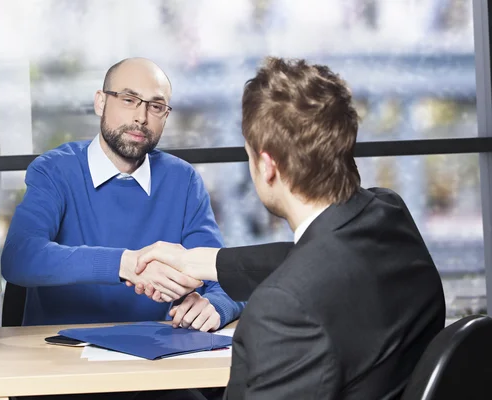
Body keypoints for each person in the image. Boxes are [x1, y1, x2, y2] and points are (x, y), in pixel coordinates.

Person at [133, 57, 446, 399]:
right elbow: (317, 258)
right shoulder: (388, 213)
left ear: (267, 166)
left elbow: (303, 278)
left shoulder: (284, 311)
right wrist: (196, 262)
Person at [1, 57, 244, 333]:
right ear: (100, 102)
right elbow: (19, 257)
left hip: (153, 353)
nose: (141, 117)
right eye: (129, 99)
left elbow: (223, 279)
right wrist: (123, 263)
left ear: (165, 116)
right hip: (60, 354)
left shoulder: (183, 181)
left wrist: (214, 306)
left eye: (156, 106)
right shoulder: (55, 170)